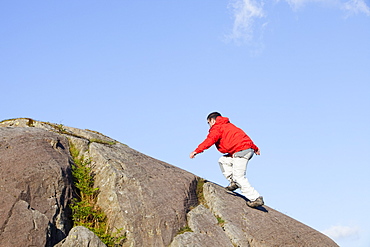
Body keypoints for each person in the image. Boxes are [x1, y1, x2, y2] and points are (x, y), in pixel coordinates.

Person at [189, 112, 264, 208]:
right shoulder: (229, 125)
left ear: (212, 120)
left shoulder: (217, 127)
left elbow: (210, 140)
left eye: (209, 123)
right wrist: (255, 148)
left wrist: (196, 151)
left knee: (239, 177)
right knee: (223, 160)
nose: (209, 126)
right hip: (245, 150)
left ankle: (255, 198)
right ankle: (234, 182)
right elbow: (243, 136)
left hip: (240, 152)